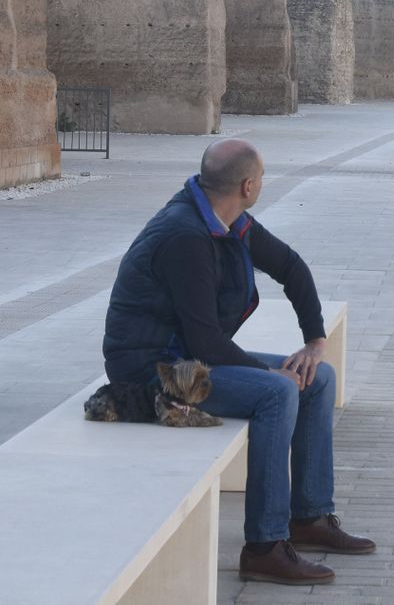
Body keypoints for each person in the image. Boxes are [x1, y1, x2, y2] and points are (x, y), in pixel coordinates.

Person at [101, 139, 374, 586]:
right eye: (262, 178)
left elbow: (291, 266)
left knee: (318, 377)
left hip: (187, 357)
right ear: (249, 185)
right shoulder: (185, 236)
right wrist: (270, 373)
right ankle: (264, 547)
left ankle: (309, 518)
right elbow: (205, 339)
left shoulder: (228, 221)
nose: (262, 185)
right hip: (151, 372)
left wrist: (314, 342)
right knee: (278, 391)